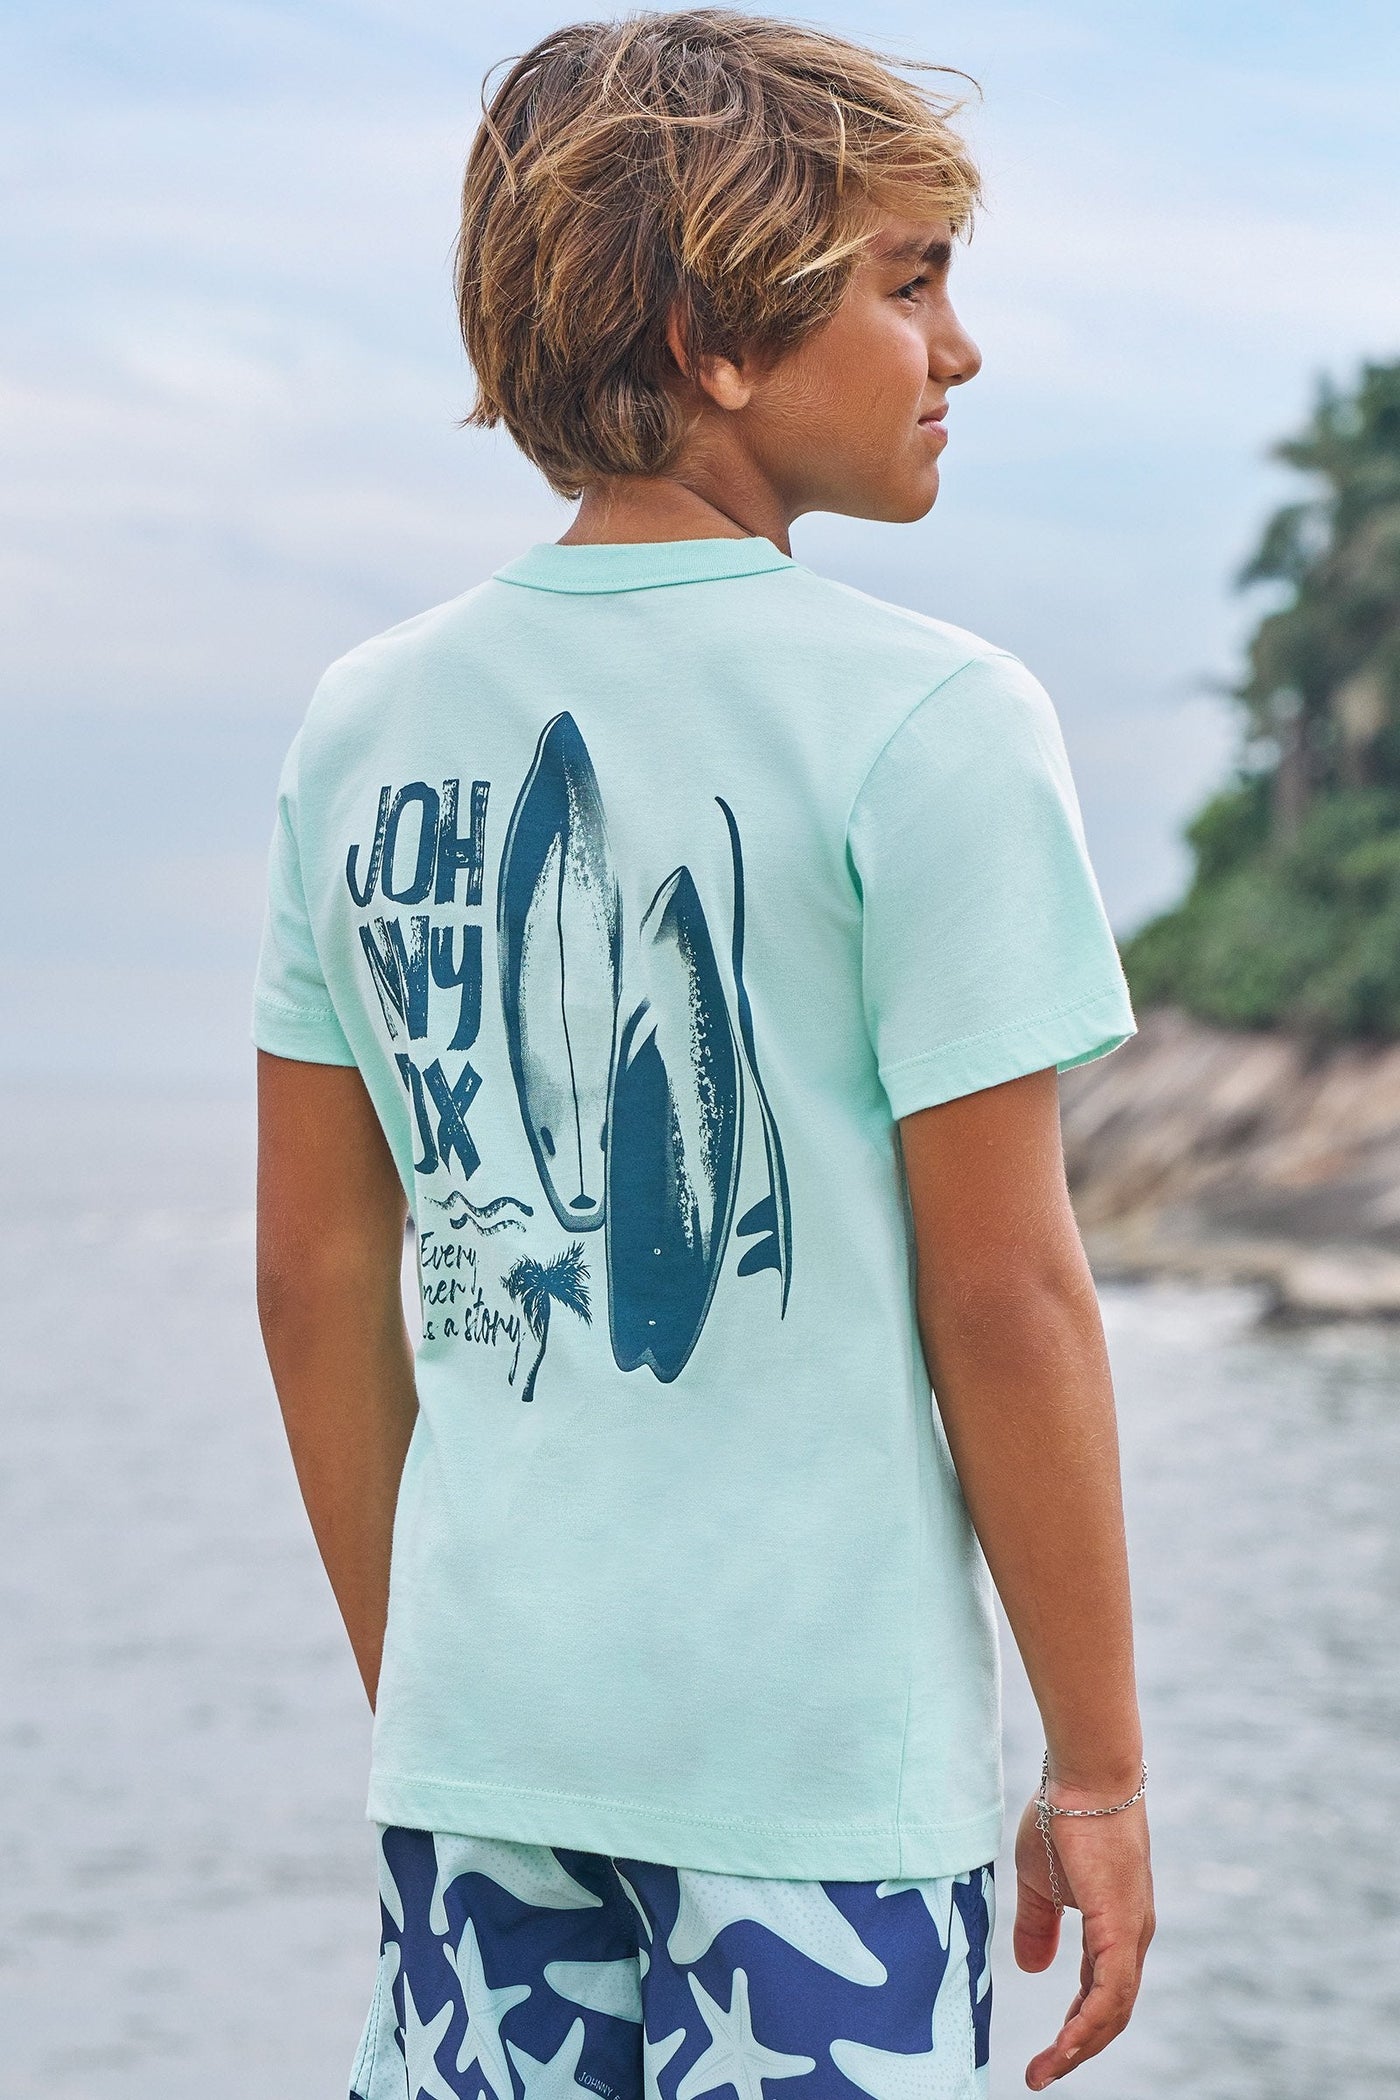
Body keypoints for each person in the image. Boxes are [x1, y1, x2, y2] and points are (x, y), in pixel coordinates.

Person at [253, 12, 1154, 2097]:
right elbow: (1006, 1296)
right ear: (715, 338)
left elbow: (311, 1275)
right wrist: (1096, 1769)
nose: (960, 349)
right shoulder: (932, 722)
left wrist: (439, 1700)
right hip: (814, 1792)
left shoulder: (363, 723)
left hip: (481, 1761)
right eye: (910, 283)